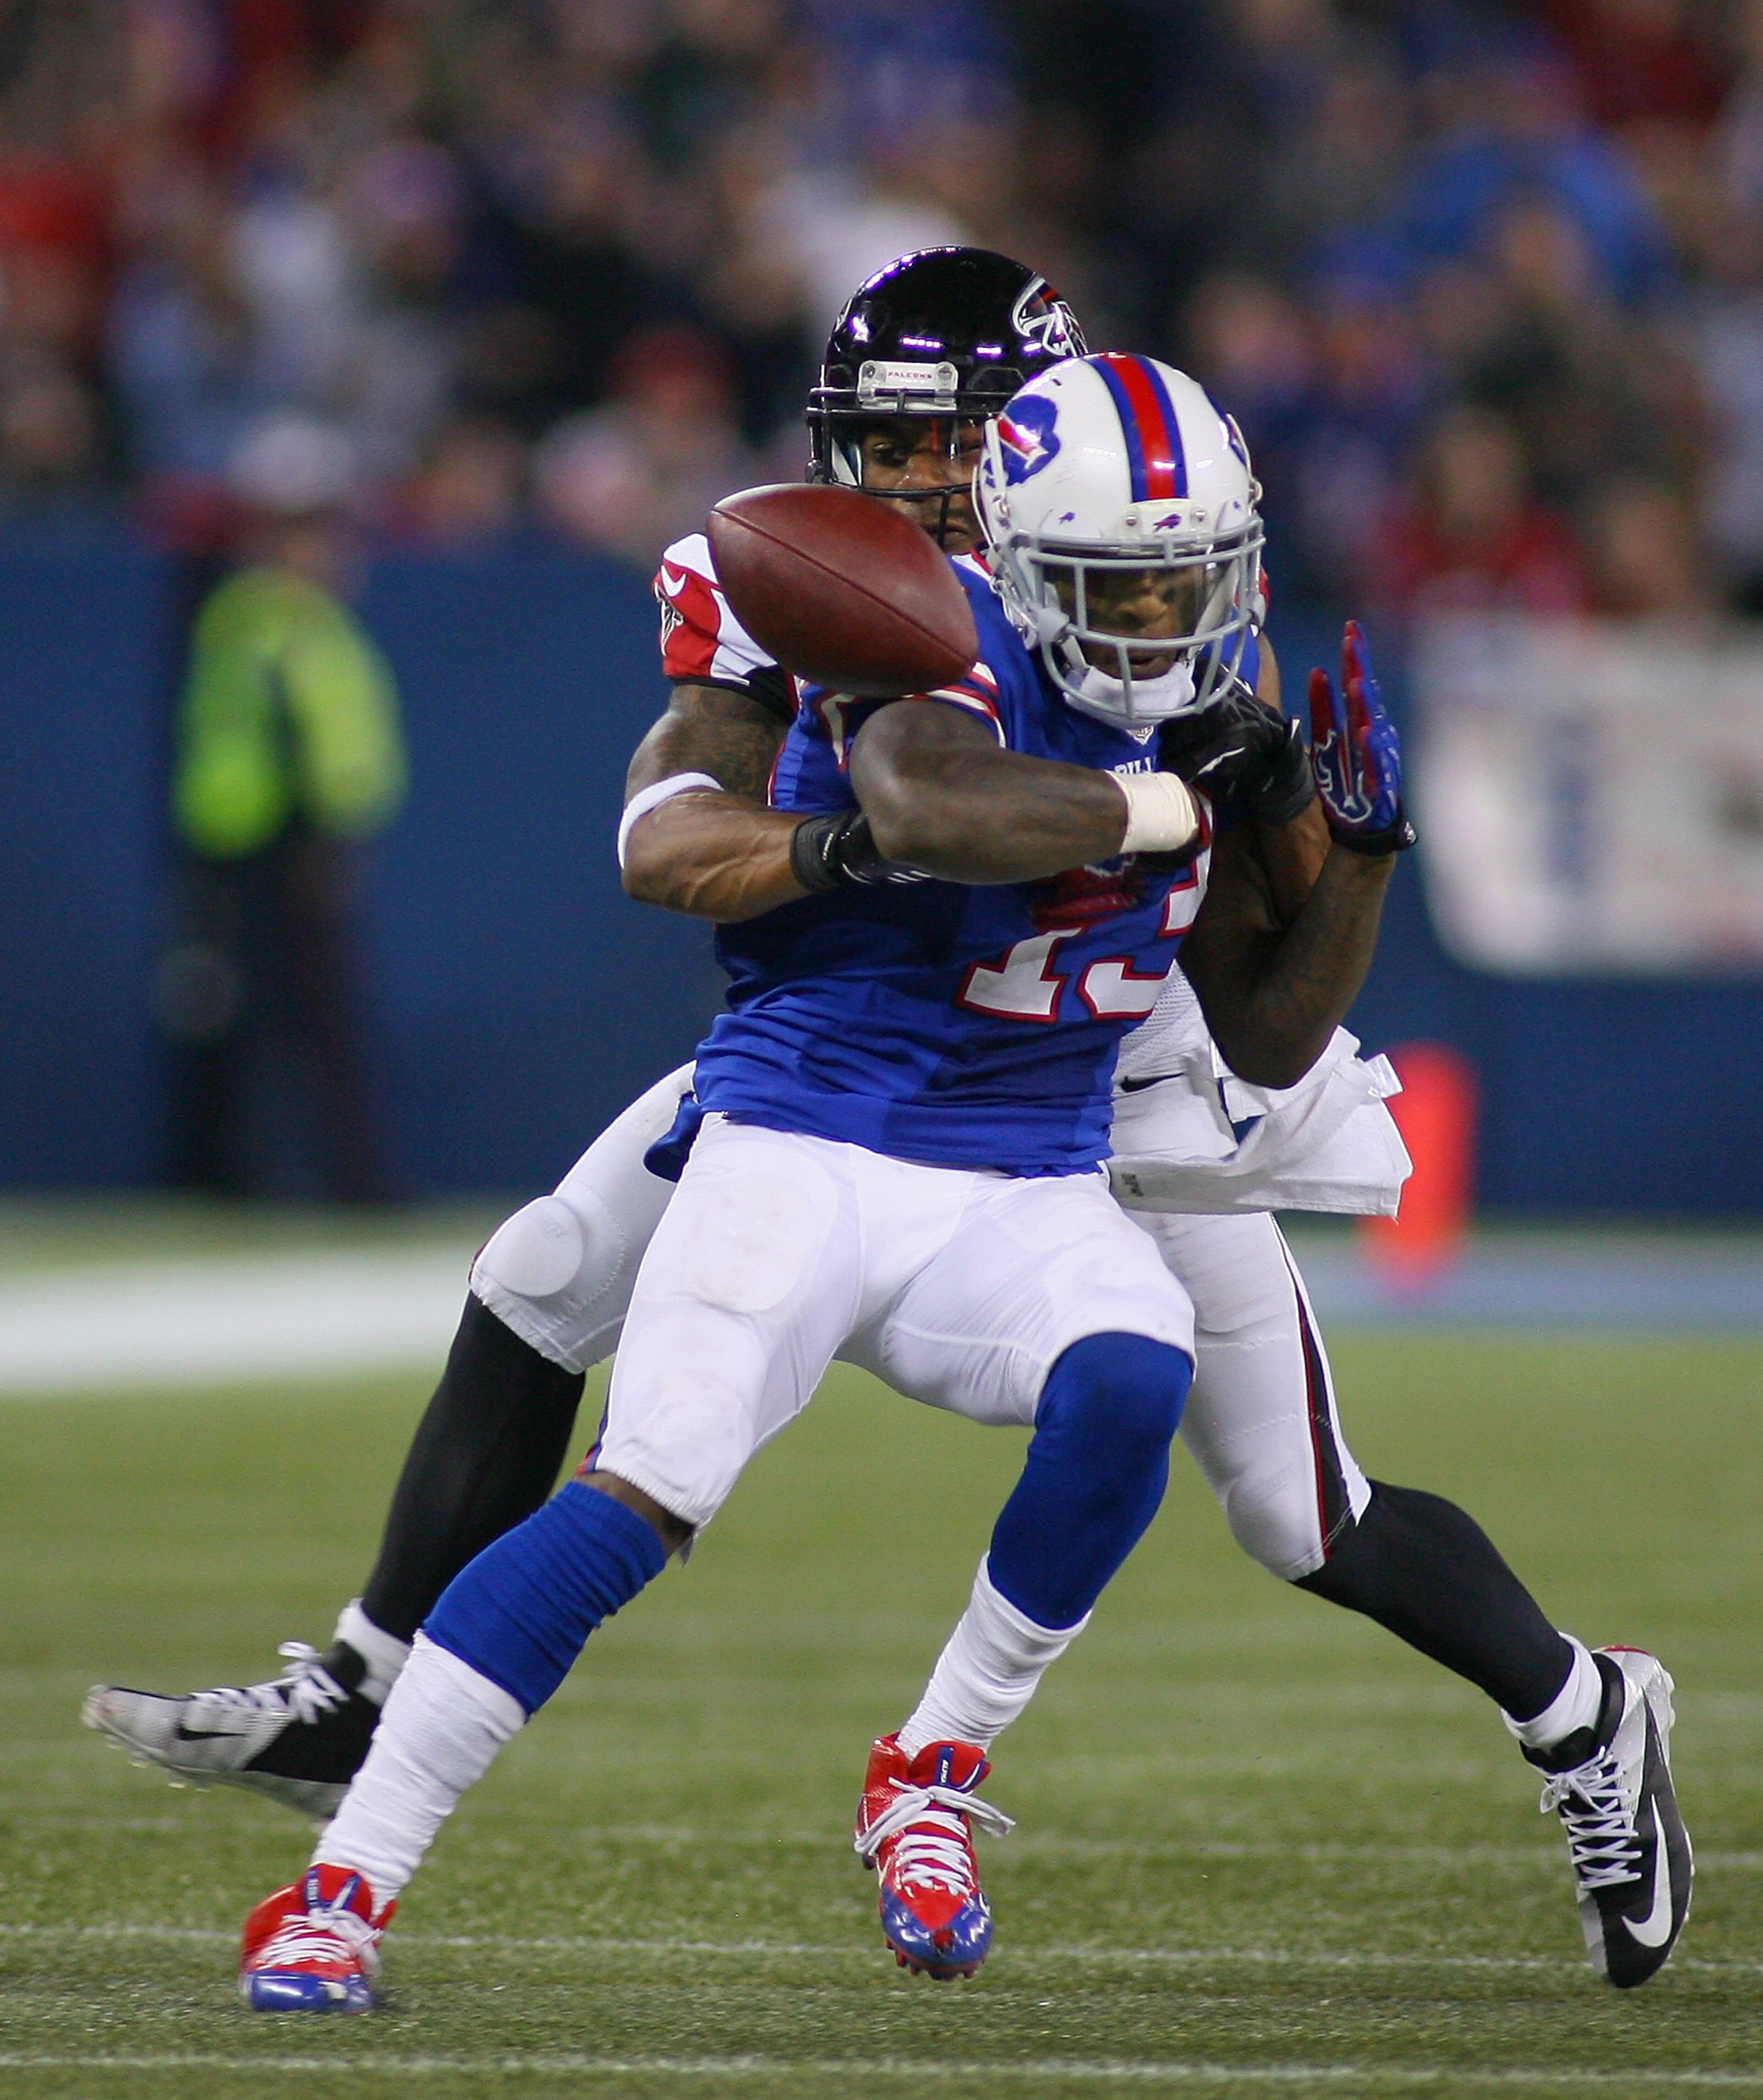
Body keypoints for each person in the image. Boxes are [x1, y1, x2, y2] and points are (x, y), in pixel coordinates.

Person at [87, 251, 1689, 1997]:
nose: (903, 480)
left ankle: (1571, 1713)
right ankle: (372, 1692)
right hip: (845, 1054)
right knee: (555, 1282)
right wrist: (918, 840)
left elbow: (1268, 1013)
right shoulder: (844, 597)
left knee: (1294, 1504)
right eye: (889, 440)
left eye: (945, 440)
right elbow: (703, 823)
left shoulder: (1160, 606)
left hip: (1115, 1088)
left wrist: (1332, 847)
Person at [157, 413, 407, 1203]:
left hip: (285, 839)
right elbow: (291, 735)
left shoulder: (297, 616)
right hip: (269, 841)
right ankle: (275, 1182)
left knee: (293, 1019)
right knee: (276, 1019)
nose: (334, 551)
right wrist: (316, 834)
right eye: (314, 533)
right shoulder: (269, 616)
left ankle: (314, 1179)